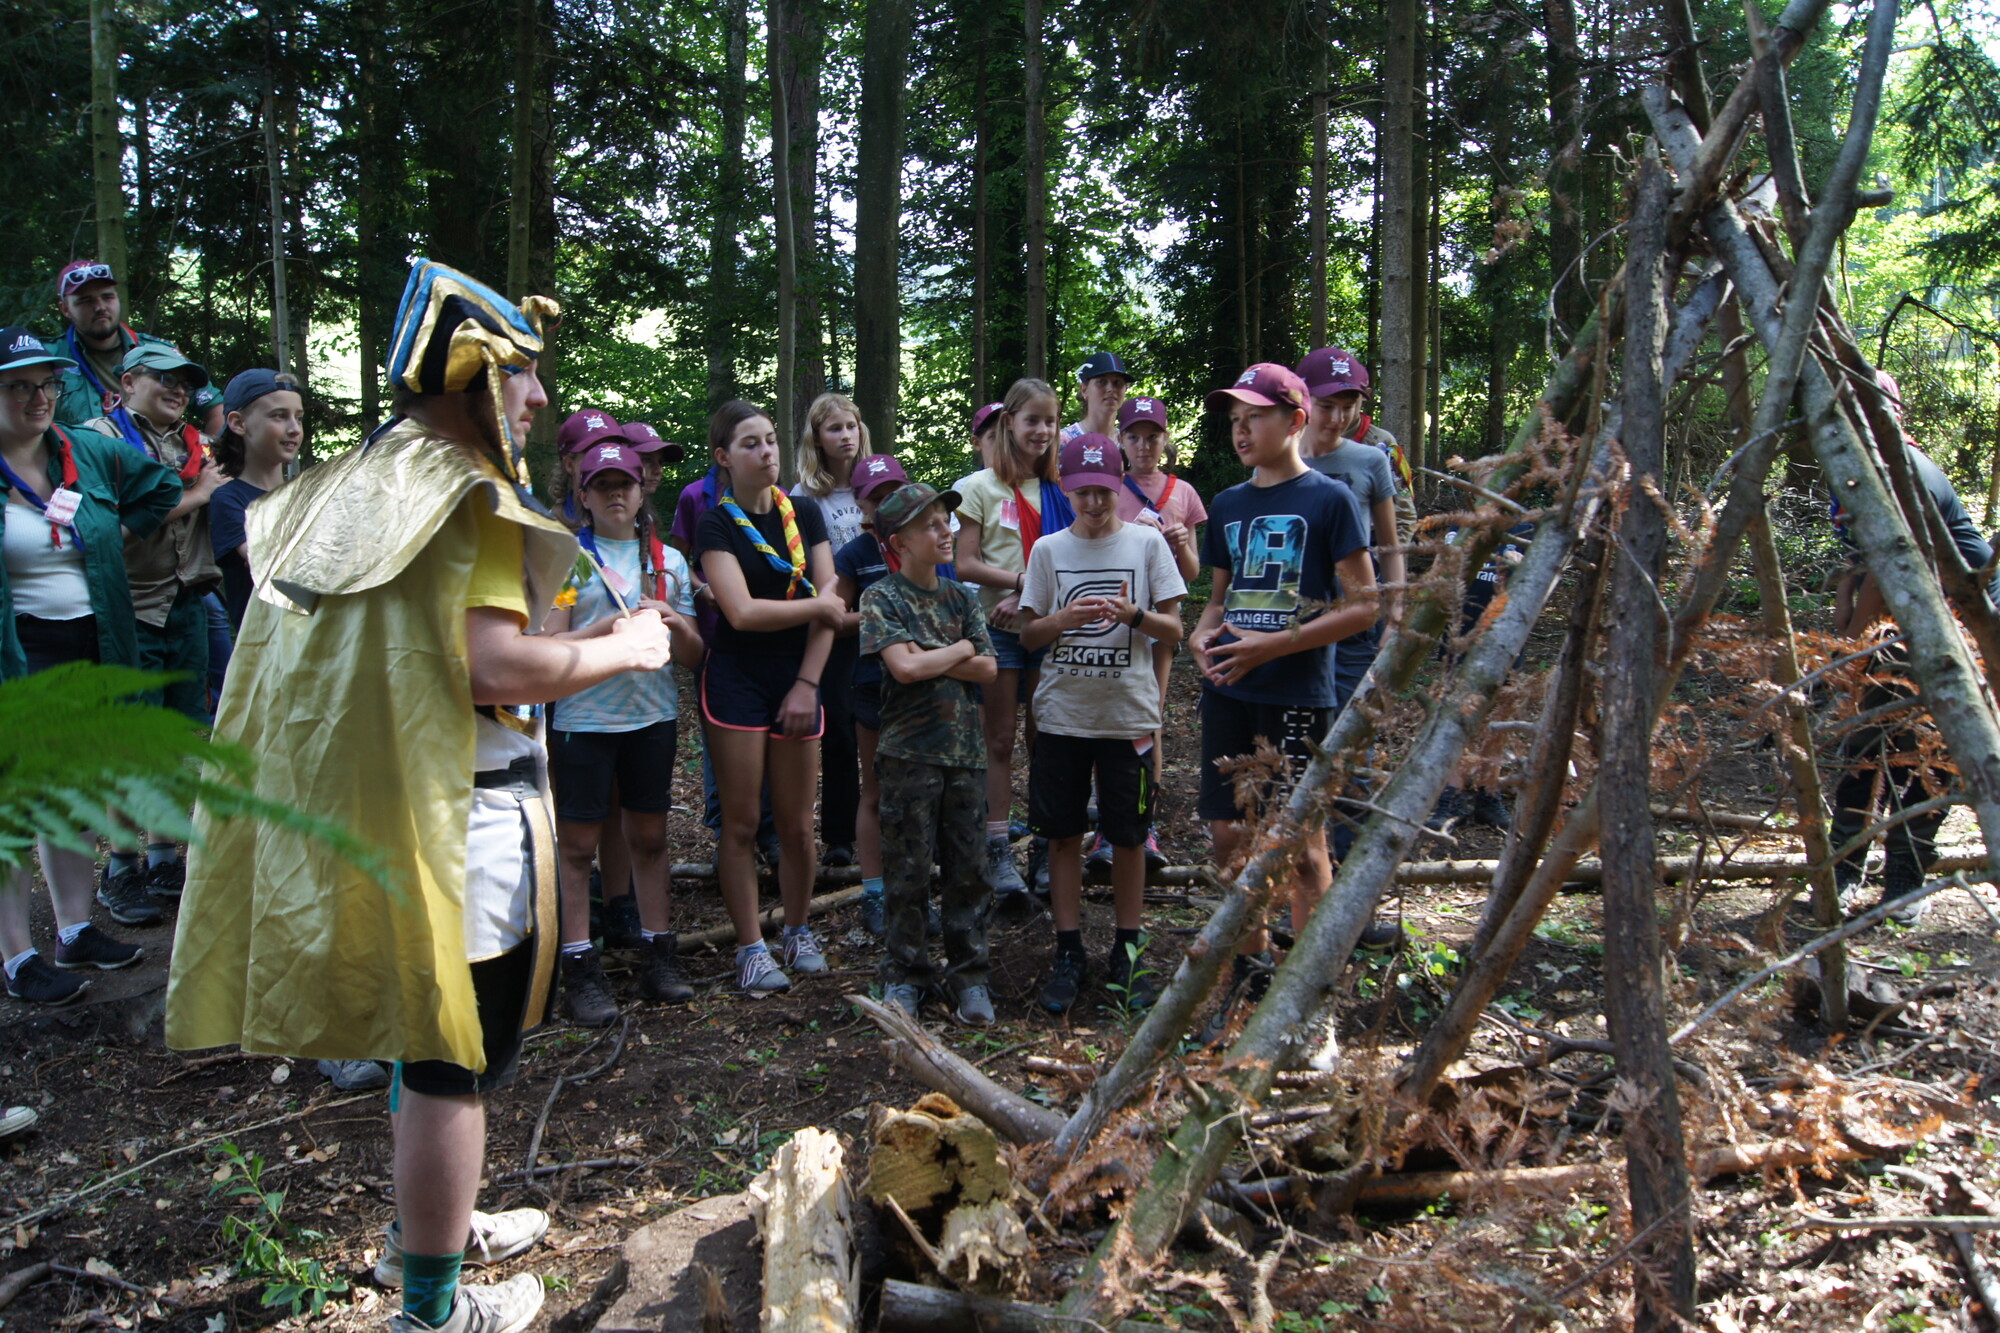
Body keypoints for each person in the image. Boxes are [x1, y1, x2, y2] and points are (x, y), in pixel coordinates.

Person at [168, 259, 672, 1333]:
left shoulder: (360, 483)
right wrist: (623, 647)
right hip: (463, 815)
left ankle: (430, 1224)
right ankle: (434, 1307)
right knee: (456, 1060)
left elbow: (423, 652)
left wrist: (573, 642)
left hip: (389, 802)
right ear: (476, 374)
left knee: (421, 1032)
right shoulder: (469, 494)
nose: (538, 396)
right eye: (522, 374)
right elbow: (490, 668)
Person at [1189, 364, 1388, 1036]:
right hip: (1229, 690)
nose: (1241, 430)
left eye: (1256, 416)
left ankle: (1309, 1005)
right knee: (1230, 834)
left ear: (1296, 419)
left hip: (1298, 692)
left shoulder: (1330, 500)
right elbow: (1219, 599)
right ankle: (1250, 977)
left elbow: (1364, 606)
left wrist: (1272, 646)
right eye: (1234, 419)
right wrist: (1204, 634)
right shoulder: (1227, 503)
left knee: (1301, 844)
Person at [0, 328, 176, 1006]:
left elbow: (161, 486)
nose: (38, 397)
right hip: (18, 654)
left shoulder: (84, 450)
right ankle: (17, 957)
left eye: (45, 383)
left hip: (92, 644)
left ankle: (73, 929)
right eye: (18, 386)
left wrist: (117, 534)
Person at [1019, 434, 1185, 1013]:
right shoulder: (1048, 550)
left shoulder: (1146, 543)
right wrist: (1062, 619)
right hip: (1063, 717)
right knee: (1062, 835)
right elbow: (1028, 635)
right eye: (1082, 492)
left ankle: (1127, 951)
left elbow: (1175, 629)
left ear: (1119, 487)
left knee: (1129, 837)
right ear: (1066, 489)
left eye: (1104, 491)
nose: (1093, 503)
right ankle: (1068, 950)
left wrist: (1135, 615)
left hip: (1126, 717)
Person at [1824, 370, 1989, 927]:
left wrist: (1846, 653)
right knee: (1865, 742)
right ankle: (1844, 869)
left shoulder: (1903, 473)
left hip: (1957, 623)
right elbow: (1866, 566)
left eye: (1870, 412)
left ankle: (1904, 881)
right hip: (1903, 617)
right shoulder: (1852, 468)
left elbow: (1892, 571)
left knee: (1921, 752)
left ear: (1891, 415)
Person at [546, 440, 702, 1024]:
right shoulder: (569, 561)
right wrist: (607, 627)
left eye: (625, 484)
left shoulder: (668, 562)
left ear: (641, 492)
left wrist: (674, 619)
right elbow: (550, 644)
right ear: (583, 496)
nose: (616, 494)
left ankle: (658, 956)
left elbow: (694, 655)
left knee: (651, 838)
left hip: (651, 718)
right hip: (584, 720)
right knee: (577, 845)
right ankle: (579, 968)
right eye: (602, 485)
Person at [695, 400, 844, 994]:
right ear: (724, 457)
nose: (766, 452)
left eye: (771, 441)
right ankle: (751, 948)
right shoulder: (716, 525)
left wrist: (808, 683)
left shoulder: (804, 512)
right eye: (750, 444)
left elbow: (833, 610)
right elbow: (742, 612)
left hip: (797, 673)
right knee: (740, 821)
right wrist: (819, 605)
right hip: (736, 676)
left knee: (797, 824)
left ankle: (798, 930)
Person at [82, 343, 225, 920]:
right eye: (165, 379)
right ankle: (120, 867)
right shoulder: (98, 439)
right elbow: (104, 528)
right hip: (129, 609)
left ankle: (163, 856)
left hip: (185, 603)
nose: (178, 390)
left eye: (185, 383)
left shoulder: (198, 445)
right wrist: (196, 496)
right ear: (129, 381)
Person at [857, 482, 997, 1023]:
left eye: (946, 521)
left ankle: (970, 978)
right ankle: (907, 975)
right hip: (907, 754)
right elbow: (904, 669)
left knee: (969, 870)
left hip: (965, 754)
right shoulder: (881, 598)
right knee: (908, 871)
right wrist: (960, 648)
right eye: (931, 525)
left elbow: (988, 668)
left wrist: (938, 652)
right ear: (900, 542)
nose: (946, 532)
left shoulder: (961, 597)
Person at [953, 377, 1068, 905]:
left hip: (1050, 626)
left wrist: (1031, 595)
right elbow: (965, 563)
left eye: (1050, 421)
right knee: (998, 740)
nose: (1042, 430)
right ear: (1009, 423)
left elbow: (1073, 558)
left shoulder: (1060, 487)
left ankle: (1046, 845)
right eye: (1032, 420)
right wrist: (1021, 582)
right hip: (996, 631)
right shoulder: (979, 487)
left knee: (1047, 740)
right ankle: (998, 849)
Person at [1083, 393, 1206, 877]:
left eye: (1152, 437)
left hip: (1158, 617)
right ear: (1121, 440)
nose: (1143, 446)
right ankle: (1103, 822)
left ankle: (1143, 820)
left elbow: (1192, 572)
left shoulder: (1183, 492)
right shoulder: (1109, 487)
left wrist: (1180, 542)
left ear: (1165, 439)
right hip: (1110, 614)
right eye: (1133, 437)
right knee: (1105, 711)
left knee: (1148, 714)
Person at [792, 392, 876, 869]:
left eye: (851, 426)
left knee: (885, 724)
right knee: (840, 729)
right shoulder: (804, 496)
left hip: (884, 619)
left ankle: (889, 825)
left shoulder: (878, 481)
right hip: (832, 625)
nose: (846, 436)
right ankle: (840, 836)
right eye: (834, 428)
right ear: (817, 438)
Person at [52, 260, 223, 438]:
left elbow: (217, 410)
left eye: (107, 297)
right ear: (65, 308)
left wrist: (206, 453)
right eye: (86, 301)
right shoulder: (50, 358)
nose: (100, 307)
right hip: (81, 455)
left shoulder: (161, 352)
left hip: (156, 454)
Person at [209, 370, 304, 634]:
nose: (294, 428)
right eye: (279, 416)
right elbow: (270, 564)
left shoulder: (303, 494)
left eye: (298, 417)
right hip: (263, 644)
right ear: (239, 423)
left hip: (311, 637)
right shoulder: (229, 499)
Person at [1293, 348, 1415, 547]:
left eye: (1348, 405)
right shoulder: (1289, 445)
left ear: (1365, 396)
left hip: (1367, 545)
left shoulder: (1379, 444)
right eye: (1326, 405)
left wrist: (1387, 559)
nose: (1337, 417)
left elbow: (1403, 509)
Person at [1061, 351, 1131, 444]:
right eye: (1102, 382)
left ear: (1125, 389)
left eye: (1117, 382)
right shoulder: (1062, 442)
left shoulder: (1128, 444)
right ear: (1084, 390)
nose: (1110, 389)